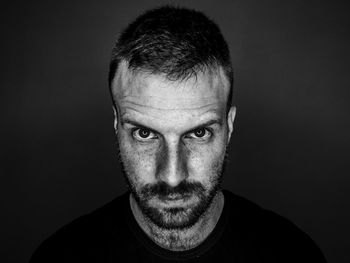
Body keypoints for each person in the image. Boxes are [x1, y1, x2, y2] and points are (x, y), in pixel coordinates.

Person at [30, 6, 327, 262]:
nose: (172, 176)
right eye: (145, 133)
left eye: (198, 133)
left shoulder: (293, 254)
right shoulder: (59, 257)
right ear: (116, 123)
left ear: (230, 125)